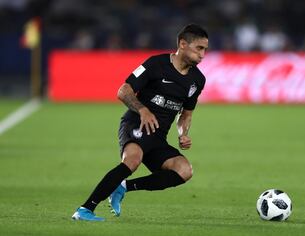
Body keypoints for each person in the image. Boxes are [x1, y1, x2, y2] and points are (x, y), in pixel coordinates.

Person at [72, 24, 209, 221]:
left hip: (158, 137)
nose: (203, 54)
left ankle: (124, 186)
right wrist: (143, 110)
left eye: (205, 49)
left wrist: (183, 134)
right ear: (183, 44)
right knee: (132, 160)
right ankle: (85, 209)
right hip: (136, 124)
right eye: (199, 48)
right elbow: (123, 90)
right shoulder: (156, 64)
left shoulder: (197, 80)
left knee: (184, 170)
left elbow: (186, 114)